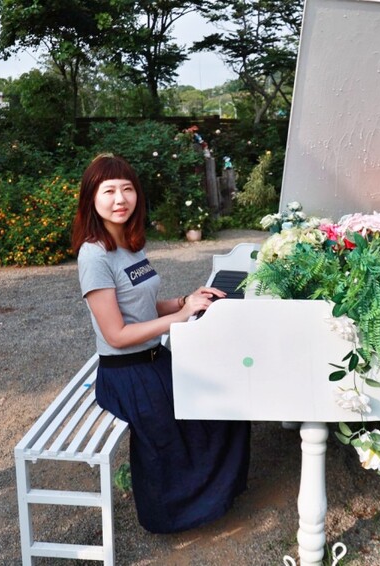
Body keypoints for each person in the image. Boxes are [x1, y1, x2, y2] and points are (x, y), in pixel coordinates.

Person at [71, 153, 250, 534]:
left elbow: (143, 306)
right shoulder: (94, 255)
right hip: (127, 373)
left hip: (154, 359)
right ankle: (173, 515)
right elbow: (116, 334)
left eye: (127, 189)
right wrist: (179, 318)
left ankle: (214, 497)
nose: (120, 199)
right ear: (92, 198)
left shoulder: (130, 245)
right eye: (109, 191)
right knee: (185, 428)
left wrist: (186, 300)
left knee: (225, 403)